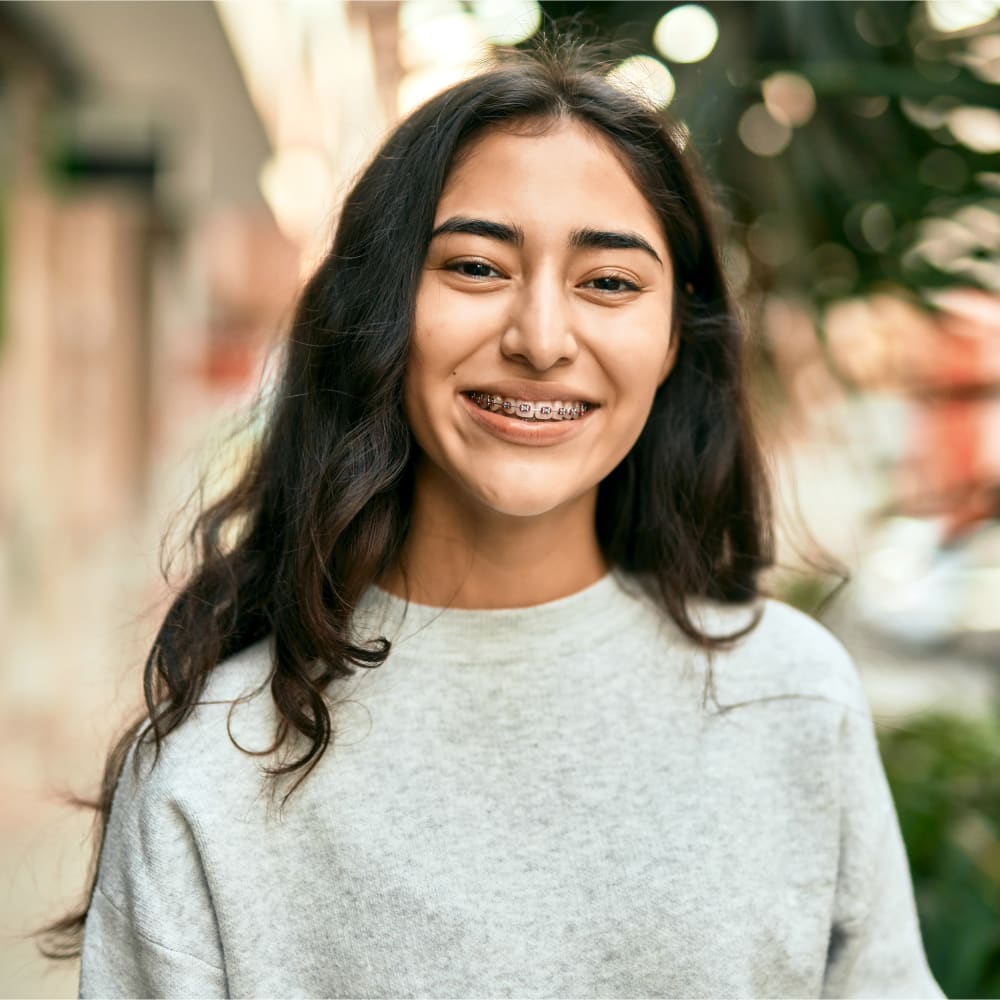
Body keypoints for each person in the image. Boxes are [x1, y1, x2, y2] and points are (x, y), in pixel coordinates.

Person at [50, 41, 942, 998]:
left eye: (609, 282)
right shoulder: (211, 772)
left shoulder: (791, 701)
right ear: (381, 308)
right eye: (477, 267)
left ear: (676, 335)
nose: (542, 341)